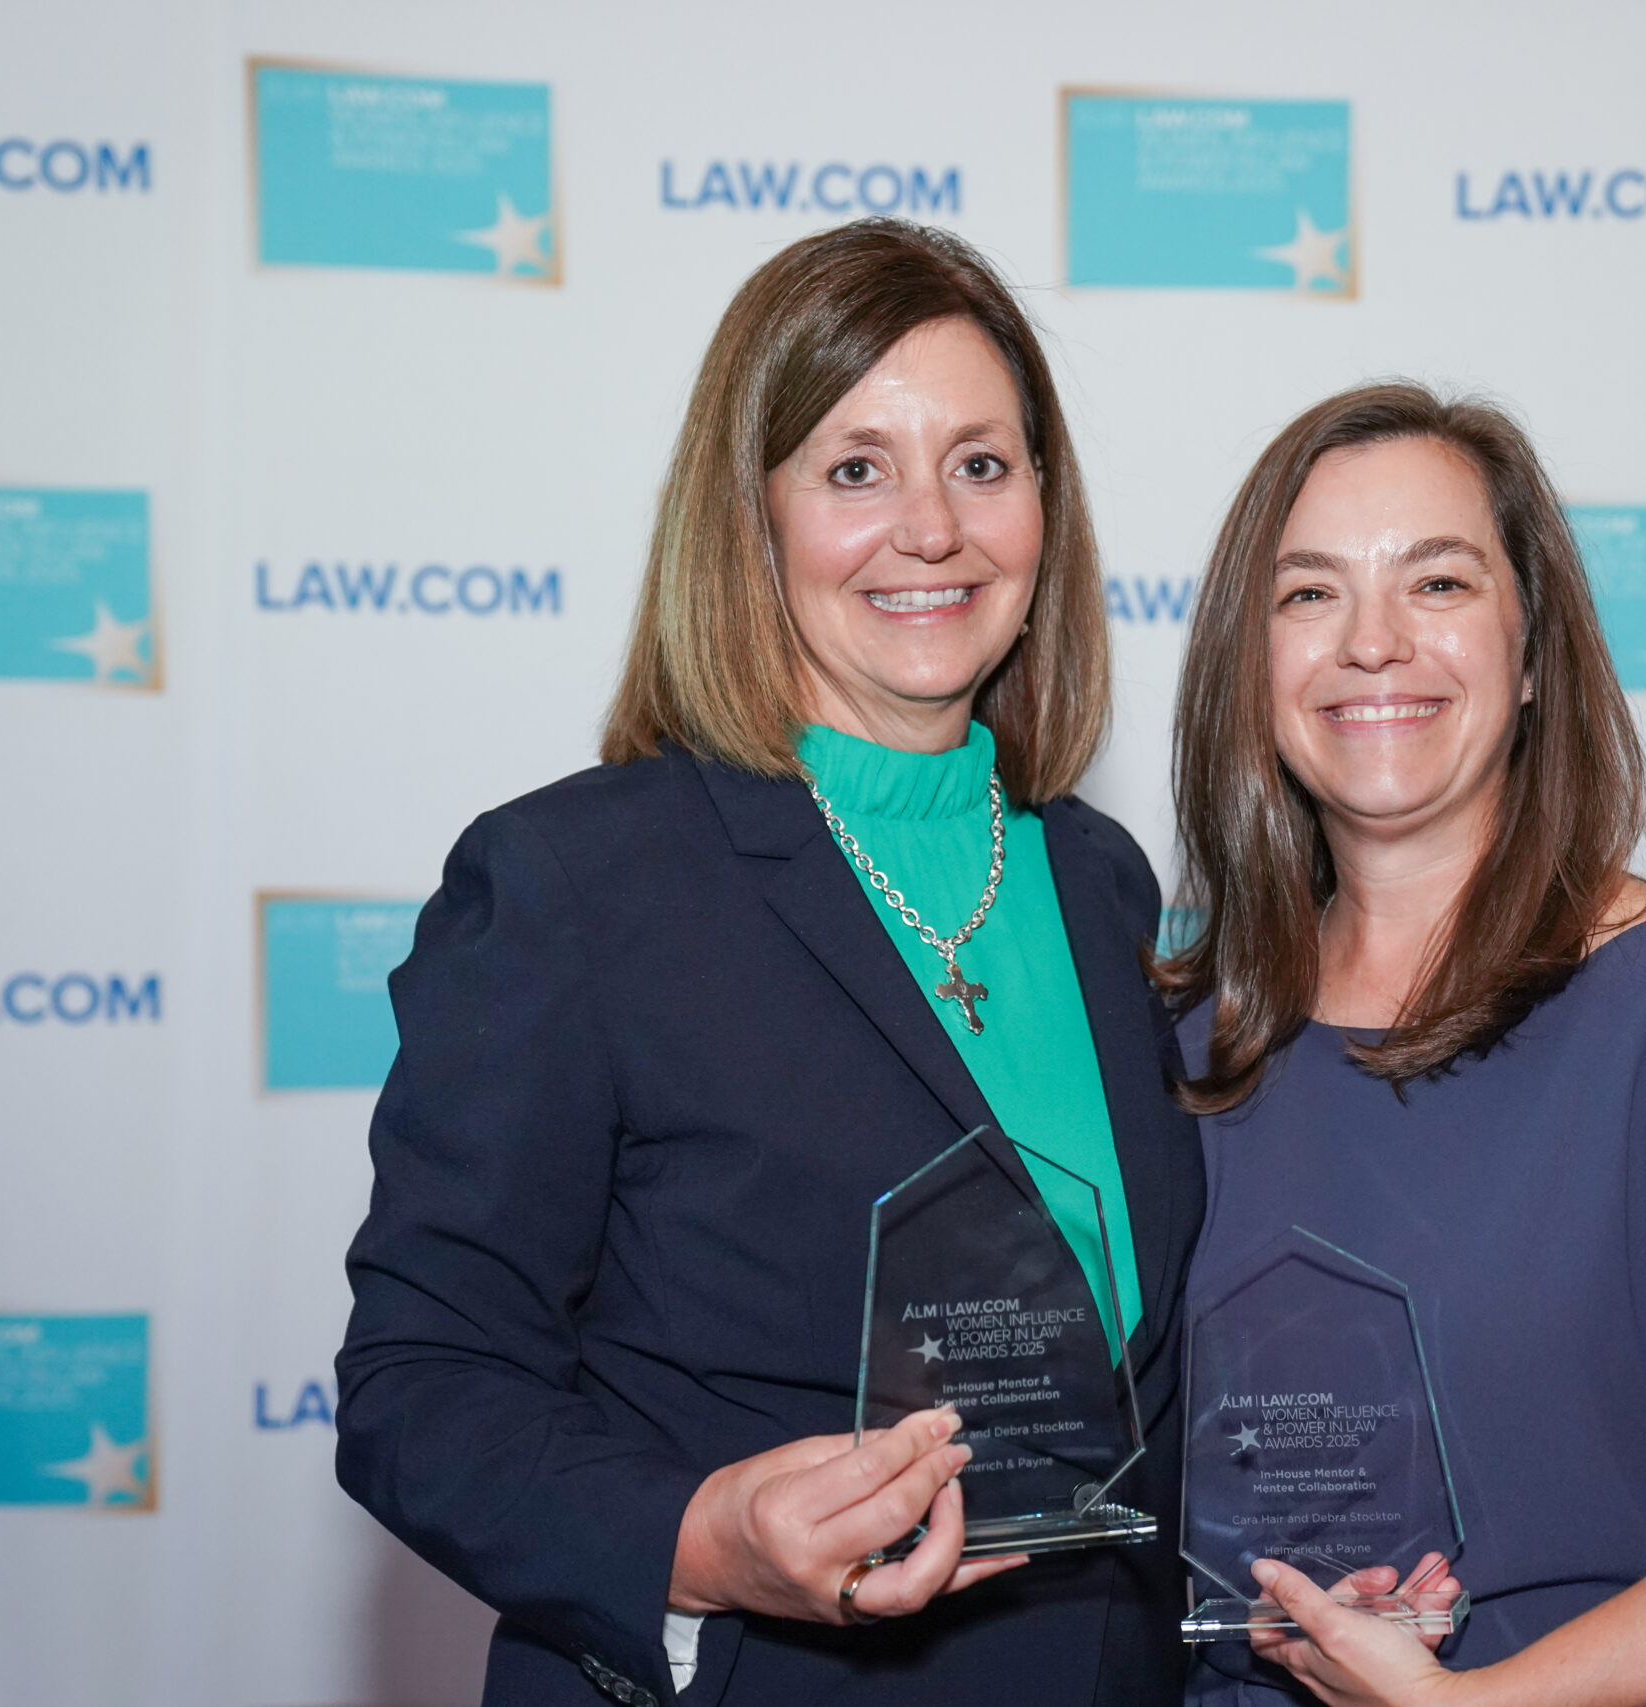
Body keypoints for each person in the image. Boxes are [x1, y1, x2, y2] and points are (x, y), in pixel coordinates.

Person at [335, 220, 1203, 1707]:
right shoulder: (576, 886)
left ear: (1044, 508)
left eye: (982, 465)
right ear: (751, 517)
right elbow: (418, 1391)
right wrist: (698, 1537)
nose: (931, 527)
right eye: (855, 469)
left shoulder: (1098, 880)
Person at [1160, 383, 1646, 1707]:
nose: (1373, 643)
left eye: (1439, 583)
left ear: (1531, 654)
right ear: (1252, 665)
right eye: (1309, 595)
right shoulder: (1187, 1033)